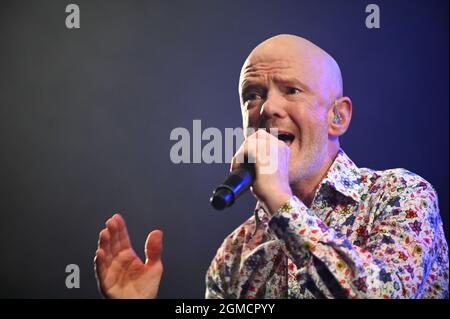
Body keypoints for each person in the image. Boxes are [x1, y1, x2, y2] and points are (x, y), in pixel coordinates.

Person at [94, 34, 449, 299]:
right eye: (253, 94)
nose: (267, 108)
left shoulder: (399, 196)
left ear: (337, 116)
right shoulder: (234, 254)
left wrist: (281, 203)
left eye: (292, 90)